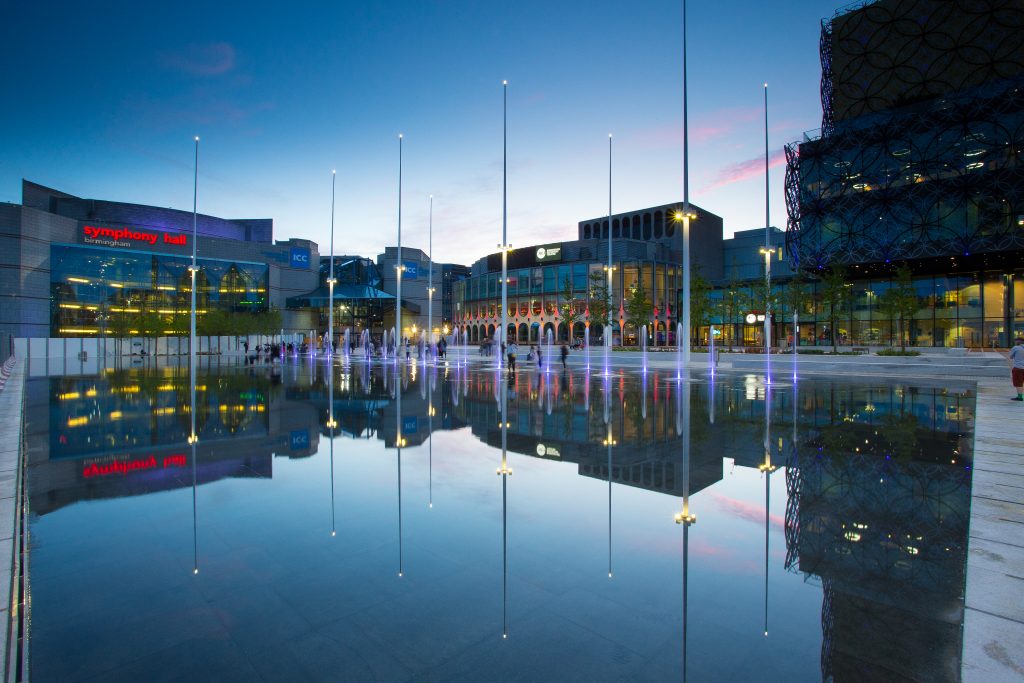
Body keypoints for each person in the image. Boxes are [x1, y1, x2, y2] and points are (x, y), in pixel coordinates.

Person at [1010, 336, 1024, 401]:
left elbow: (1011, 357)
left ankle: (1020, 397)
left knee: (1018, 382)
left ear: (1018, 341)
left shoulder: (1015, 348)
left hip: (1018, 368)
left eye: (1015, 341)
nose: (1015, 342)